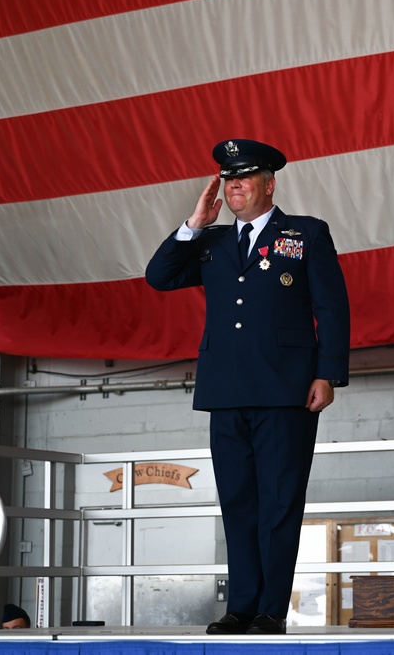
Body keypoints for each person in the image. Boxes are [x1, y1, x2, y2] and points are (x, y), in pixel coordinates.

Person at [145, 139, 350, 635]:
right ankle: (241, 606)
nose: (234, 185)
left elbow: (332, 308)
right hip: (227, 390)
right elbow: (158, 276)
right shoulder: (211, 242)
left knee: (279, 504)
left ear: (269, 183)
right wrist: (193, 224)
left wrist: (329, 373)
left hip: (286, 391)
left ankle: (270, 611)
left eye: (244, 177)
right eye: (227, 178)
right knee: (238, 501)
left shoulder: (305, 234)